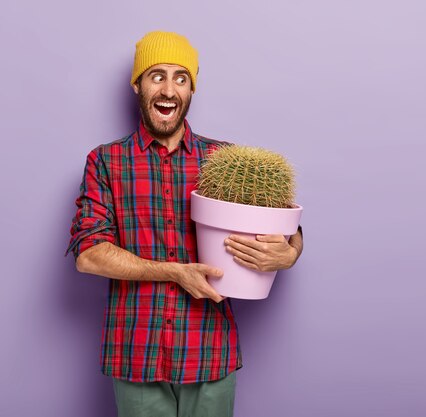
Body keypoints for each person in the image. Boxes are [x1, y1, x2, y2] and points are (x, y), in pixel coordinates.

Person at [67, 31, 303, 417]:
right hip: (136, 351)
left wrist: (289, 252)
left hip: (209, 349)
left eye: (181, 78)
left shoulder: (225, 159)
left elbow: (281, 221)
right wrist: (174, 273)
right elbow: (89, 255)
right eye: (156, 75)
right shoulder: (106, 162)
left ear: (192, 89)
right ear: (137, 85)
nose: (169, 89)